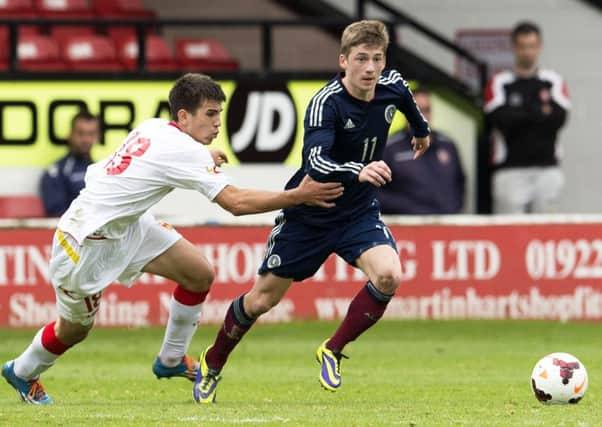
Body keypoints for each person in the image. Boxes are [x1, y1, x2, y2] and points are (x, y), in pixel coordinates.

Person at [1, 73, 343, 405]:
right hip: (85, 242)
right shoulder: (182, 149)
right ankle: (23, 370)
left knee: (199, 274)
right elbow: (235, 204)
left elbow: (156, 160)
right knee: (73, 330)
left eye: (219, 115)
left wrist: (202, 157)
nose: (217, 124)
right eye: (210, 115)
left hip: (128, 226)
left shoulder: (155, 126)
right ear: (183, 115)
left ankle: (171, 358)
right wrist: (299, 195)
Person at [193, 20, 430, 404]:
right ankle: (213, 362)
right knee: (261, 301)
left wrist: (421, 130)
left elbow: (406, 99)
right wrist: (359, 169)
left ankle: (332, 350)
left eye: (377, 59)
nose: (370, 68)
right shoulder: (326, 103)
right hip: (310, 209)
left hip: (357, 212)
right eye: (361, 59)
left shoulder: (393, 85)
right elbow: (316, 161)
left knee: (388, 275)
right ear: (344, 61)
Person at [484, 21, 570, 214]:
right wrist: (540, 113)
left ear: (539, 47)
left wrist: (520, 114)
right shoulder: (499, 82)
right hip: (510, 169)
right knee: (509, 233)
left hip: (547, 168)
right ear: (514, 47)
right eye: (522, 47)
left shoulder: (553, 80)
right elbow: (500, 120)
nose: (527, 52)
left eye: (531, 46)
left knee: (546, 234)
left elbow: (558, 119)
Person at [377, 88, 465, 214]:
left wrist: (453, 208)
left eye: (427, 110)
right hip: (407, 227)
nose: (422, 117)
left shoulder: (447, 145)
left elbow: (460, 183)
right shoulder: (390, 147)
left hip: (447, 226)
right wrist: (411, 209)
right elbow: (376, 193)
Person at [39, 111, 100, 217]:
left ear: (97, 136)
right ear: (70, 134)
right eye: (81, 133)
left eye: (91, 134)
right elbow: (55, 213)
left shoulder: (100, 170)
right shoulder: (56, 171)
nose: (86, 139)